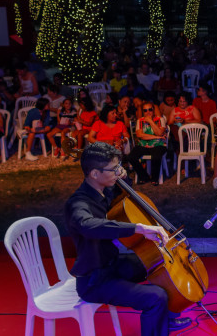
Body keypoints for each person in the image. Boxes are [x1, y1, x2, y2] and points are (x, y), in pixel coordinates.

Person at [64, 142, 191, 336]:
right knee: (155, 297)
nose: (118, 172)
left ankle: (166, 318)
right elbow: (88, 225)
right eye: (113, 169)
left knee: (158, 262)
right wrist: (138, 228)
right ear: (94, 174)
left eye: (118, 167)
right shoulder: (78, 203)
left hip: (112, 264)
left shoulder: (103, 190)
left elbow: (122, 198)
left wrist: (125, 179)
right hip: (94, 280)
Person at [126, 102, 168, 185]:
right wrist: (156, 137)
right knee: (131, 157)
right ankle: (144, 176)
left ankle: (155, 178)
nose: (148, 112)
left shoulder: (160, 119)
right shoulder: (140, 121)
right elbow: (140, 135)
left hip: (158, 144)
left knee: (156, 156)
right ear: (143, 112)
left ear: (153, 110)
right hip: (143, 145)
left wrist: (150, 121)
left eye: (150, 110)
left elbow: (159, 132)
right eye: (145, 110)